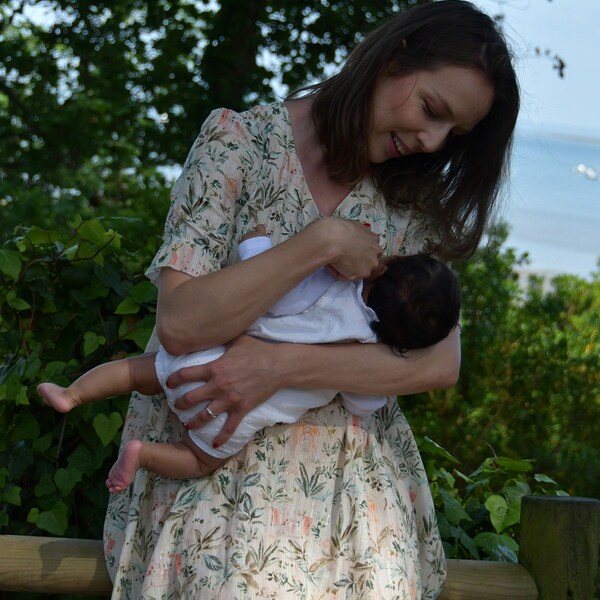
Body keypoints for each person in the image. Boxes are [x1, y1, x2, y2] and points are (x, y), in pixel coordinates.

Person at [103, 1, 519, 598]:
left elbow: (437, 363)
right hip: (203, 475)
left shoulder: (414, 204)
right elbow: (182, 322)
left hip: (352, 516)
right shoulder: (239, 145)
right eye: (432, 110)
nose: (431, 142)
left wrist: (279, 364)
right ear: (392, 59)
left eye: (452, 134)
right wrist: (319, 242)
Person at [39, 224, 460, 492]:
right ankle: (142, 454)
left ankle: (73, 394)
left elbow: (276, 294)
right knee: (200, 460)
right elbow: (362, 403)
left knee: (137, 371)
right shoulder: (368, 355)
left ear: (383, 268)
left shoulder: (330, 287)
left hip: (210, 358)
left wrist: (255, 243)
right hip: (234, 418)